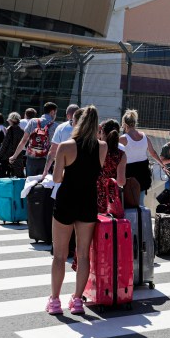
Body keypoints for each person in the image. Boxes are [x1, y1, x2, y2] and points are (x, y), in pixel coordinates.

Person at [47, 106, 106, 316]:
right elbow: (95, 173)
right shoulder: (102, 147)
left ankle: (55, 301)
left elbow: (55, 178)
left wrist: (66, 176)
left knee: (60, 255)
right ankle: (77, 300)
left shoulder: (65, 146)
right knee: (83, 254)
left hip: (66, 199)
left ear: (76, 122)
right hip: (87, 201)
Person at [120, 109, 167, 204]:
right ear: (135, 122)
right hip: (143, 171)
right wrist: (162, 165)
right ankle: (140, 218)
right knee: (140, 201)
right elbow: (153, 153)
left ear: (124, 124)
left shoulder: (123, 138)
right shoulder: (144, 136)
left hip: (129, 172)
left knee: (128, 201)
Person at [9, 102, 58, 177]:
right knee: (42, 185)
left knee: (29, 183)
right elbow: (54, 147)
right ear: (52, 112)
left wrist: (14, 156)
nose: (55, 116)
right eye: (55, 113)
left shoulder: (33, 121)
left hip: (31, 158)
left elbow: (24, 141)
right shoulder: (55, 126)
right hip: (45, 160)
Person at [96, 119, 126, 214]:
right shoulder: (121, 154)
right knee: (106, 227)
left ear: (102, 133)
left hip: (91, 194)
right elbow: (121, 181)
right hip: (110, 199)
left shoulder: (94, 149)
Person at [45, 104, 78, 174]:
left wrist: (45, 171)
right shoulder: (88, 128)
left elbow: (53, 150)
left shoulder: (61, 127)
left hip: (63, 167)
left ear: (67, 115)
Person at [0, 112, 25, 177]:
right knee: (17, 176)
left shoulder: (9, 130)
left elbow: (5, 144)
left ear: (11, 120)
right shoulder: (22, 131)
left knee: (5, 177)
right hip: (18, 156)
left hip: (7, 157)